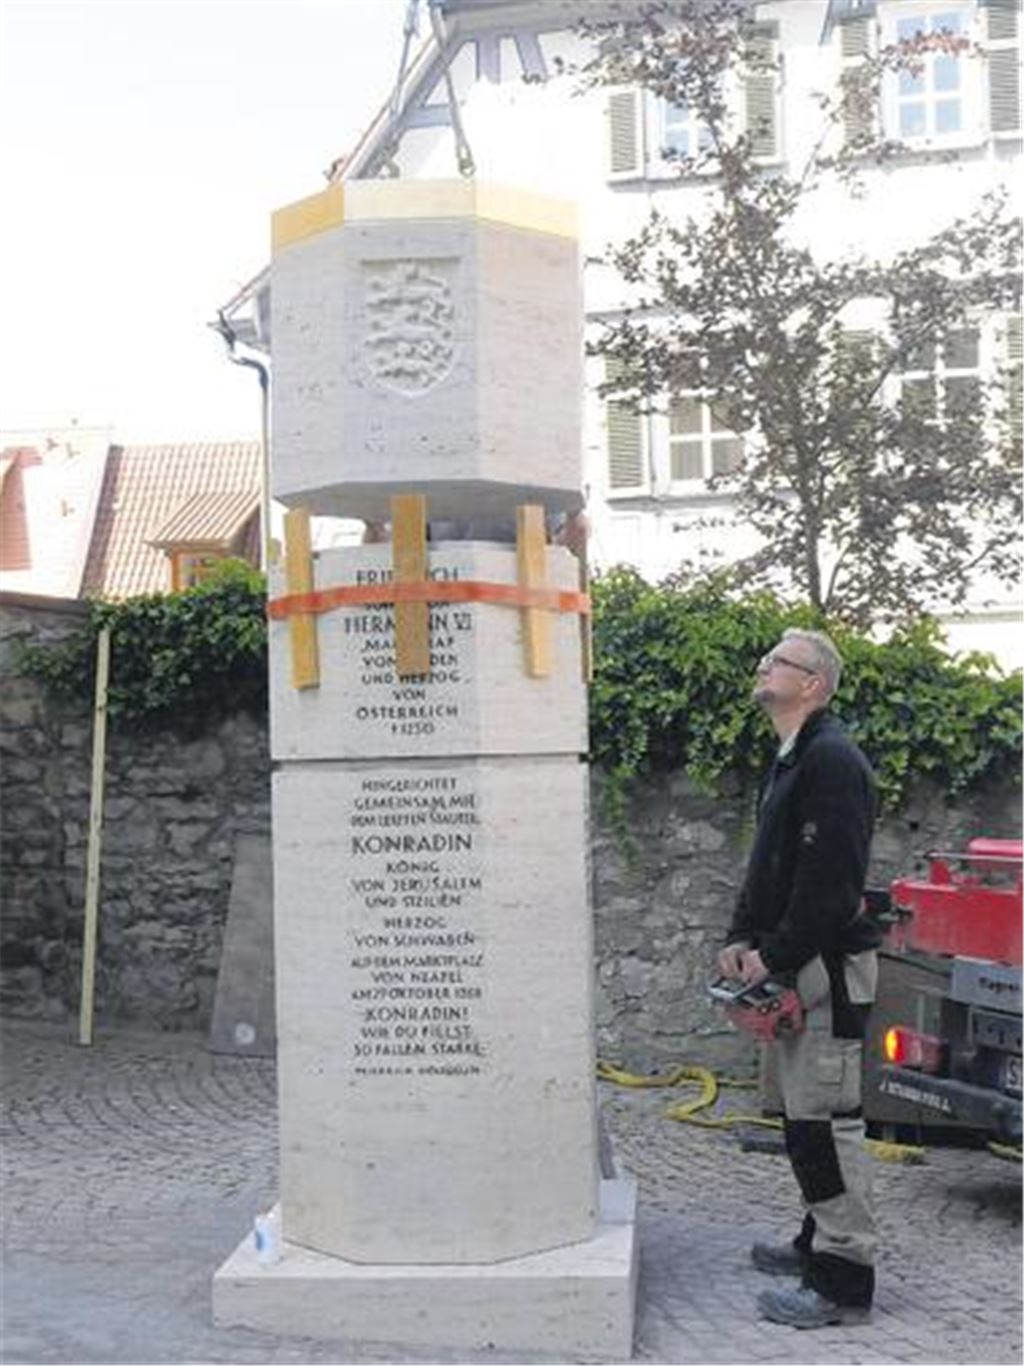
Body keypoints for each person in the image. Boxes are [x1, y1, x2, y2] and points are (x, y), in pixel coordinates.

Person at [718, 628, 881, 1329]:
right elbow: (771, 865)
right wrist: (739, 936)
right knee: (799, 1118)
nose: (763, 665)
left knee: (825, 1125)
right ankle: (816, 1239)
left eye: (777, 661)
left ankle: (844, 1282)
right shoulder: (794, 759)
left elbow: (829, 884)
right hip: (796, 963)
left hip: (827, 971)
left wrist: (776, 954)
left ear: (812, 683)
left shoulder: (833, 762)